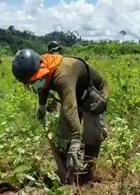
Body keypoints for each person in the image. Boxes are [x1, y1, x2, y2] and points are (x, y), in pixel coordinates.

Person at [12, 49, 109, 184]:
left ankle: (88, 173)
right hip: (72, 93)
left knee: (92, 133)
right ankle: (69, 171)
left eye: (33, 81)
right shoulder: (45, 69)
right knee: (64, 131)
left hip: (93, 93)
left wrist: (76, 139)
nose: (33, 85)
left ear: (40, 72)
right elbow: (43, 87)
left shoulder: (62, 76)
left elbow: (70, 107)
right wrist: (42, 106)